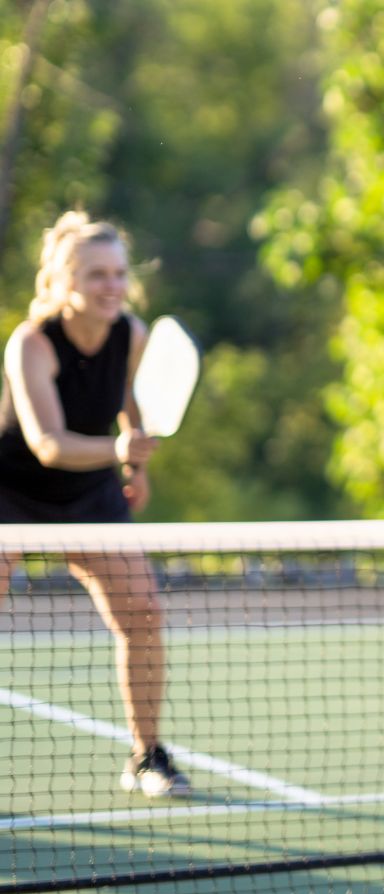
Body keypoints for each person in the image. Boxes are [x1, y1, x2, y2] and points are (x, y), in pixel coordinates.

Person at [0, 211, 189, 798]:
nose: (111, 286)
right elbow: (49, 444)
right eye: (95, 275)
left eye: (118, 274)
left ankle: (147, 756)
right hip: (11, 495)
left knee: (143, 615)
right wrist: (119, 447)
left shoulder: (131, 332)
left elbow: (131, 395)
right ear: (62, 282)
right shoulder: (31, 342)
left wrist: (134, 463)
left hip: (92, 495)